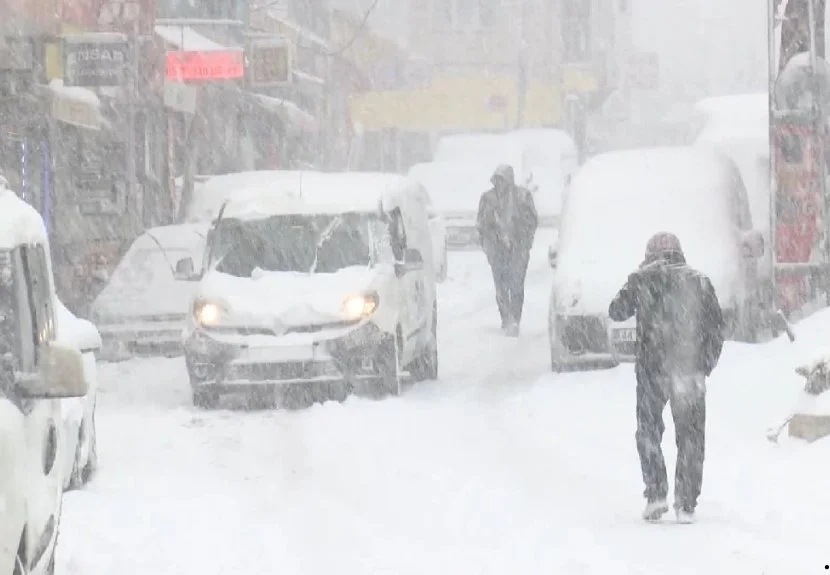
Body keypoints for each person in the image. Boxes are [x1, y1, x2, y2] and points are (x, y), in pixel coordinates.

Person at [608, 232, 724, 524]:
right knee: (691, 438)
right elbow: (717, 328)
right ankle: (686, 503)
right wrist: (704, 364)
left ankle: (656, 493)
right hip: (689, 370)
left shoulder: (642, 280)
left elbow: (616, 311)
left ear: (649, 256)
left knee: (648, 432)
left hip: (652, 371)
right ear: (679, 253)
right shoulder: (699, 281)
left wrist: (636, 279)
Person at [476, 164, 538, 336]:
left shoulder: (522, 196)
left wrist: (523, 240)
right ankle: (506, 318)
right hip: (497, 250)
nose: (499, 184)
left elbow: (532, 221)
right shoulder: (487, 199)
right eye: (497, 180)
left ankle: (515, 319)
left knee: (516, 284)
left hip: (518, 248)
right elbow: (481, 224)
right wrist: (490, 241)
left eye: (502, 180)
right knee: (501, 286)